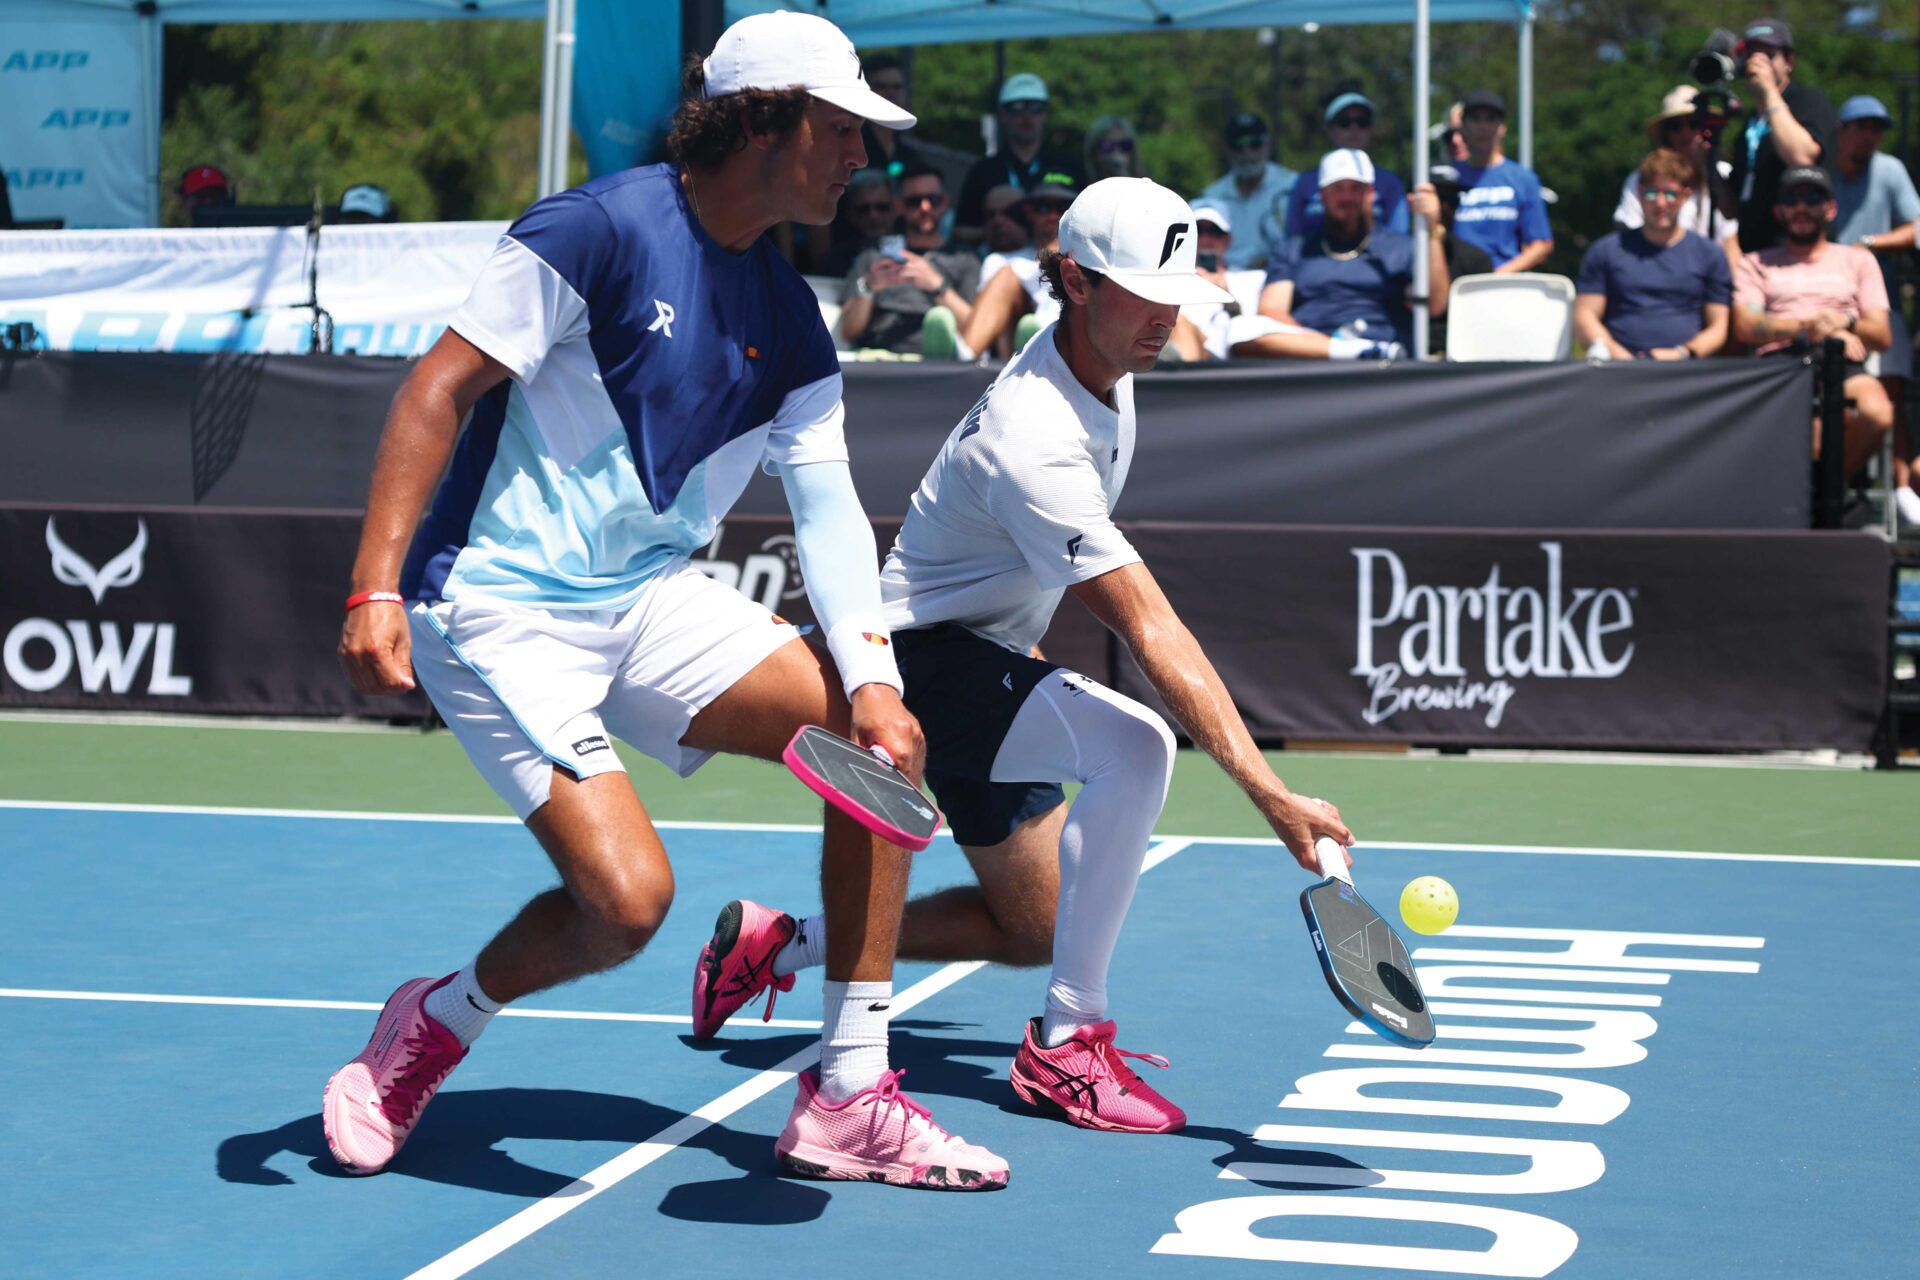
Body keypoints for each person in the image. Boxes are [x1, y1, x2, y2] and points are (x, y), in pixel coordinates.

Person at [325, 11, 1009, 1193]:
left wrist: (880, 684)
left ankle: (848, 1093)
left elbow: (831, 510)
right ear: (764, 120)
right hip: (493, 606)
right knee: (629, 905)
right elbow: (436, 389)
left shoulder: (793, 321)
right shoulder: (593, 228)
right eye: (844, 130)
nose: (867, 161)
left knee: (871, 737)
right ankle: (436, 1020)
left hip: (644, 596)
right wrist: (375, 583)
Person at [695, 177, 1355, 1136]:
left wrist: (1022, 646)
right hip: (917, 666)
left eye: (1178, 293)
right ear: (1076, 282)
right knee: (1135, 746)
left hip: (984, 649)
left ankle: (780, 945)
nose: (1166, 317)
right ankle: (1068, 1048)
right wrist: (1271, 793)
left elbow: (1009, 565)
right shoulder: (1035, 436)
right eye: (1143, 292)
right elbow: (1150, 627)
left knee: (1033, 926)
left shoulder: (1107, 370)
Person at [1732, 165, 1892, 477]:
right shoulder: (1755, 263)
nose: (1801, 208)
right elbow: (1745, 326)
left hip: (1843, 361)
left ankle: (1828, 492)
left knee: (1877, 414)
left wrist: (1843, 322)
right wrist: (1812, 327)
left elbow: (1882, 335)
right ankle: (1808, 505)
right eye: (1792, 200)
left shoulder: (1858, 260)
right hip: (1778, 365)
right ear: (1779, 211)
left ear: (1830, 209)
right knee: (1810, 429)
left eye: (1812, 199)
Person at [1255, 150, 1449, 360]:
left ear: (1371, 193)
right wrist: (1320, 345)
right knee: (1244, 331)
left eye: (1356, 188)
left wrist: (1432, 229)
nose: (1347, 197)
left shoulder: (1401, 247)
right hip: (1311, 358)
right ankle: (1348, 352)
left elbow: (1435, 304)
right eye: (1338, 189)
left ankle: (1359, 352)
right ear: (1322, 195)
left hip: (1381, 359)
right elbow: (1271, 310)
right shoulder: (1294, 249)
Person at [1831, 94, 1920, 515]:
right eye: (1861, 126)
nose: (1870, 136)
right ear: (1841, 130)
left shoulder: (1889, 170)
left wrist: (1868, 246)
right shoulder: (1820, 171)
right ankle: (1832, 486)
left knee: (1891, 393)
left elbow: (1916, 225)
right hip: (1823, 307)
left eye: (1876, 129)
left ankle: (1904, 488)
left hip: (1876, 307)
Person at [1576, 148, 1733, 361]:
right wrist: (1617, 355)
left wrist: (1682, 353)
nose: (1660, 203)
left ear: (1686, 195)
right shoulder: (1606, 250)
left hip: (1684, 370)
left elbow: (1718, 327)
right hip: (1618, 369)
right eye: (1652, 193)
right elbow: (1584, 316)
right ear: (1639, 193)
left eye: (1670, 193)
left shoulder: (1710, 254)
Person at [838, 164, 979, 356]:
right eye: (914, 201)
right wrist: (869, 288)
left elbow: (977, 329)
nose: (925, 207)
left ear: (945, 202)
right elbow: (847, 332)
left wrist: (937, 286)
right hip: (878, 359)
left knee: (940, 321)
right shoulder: (873, 255)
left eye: (934, 200)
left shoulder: (965, 258)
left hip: (941, 364)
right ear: (899, 206)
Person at [1729, 17, 1836, 254]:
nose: (1757, 63)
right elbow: (1731, 206)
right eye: (1752, 55)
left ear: (1789, 62)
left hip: (1801, 255)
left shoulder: (1809, 100)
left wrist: (1768, 91)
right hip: (1756, 256)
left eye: (1768, 56)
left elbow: (1801, 157)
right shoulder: (1749, 125)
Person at [953, 73, 1088, 246]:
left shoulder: (1069, 167)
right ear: (1003, 114)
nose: (1026, 115)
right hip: (1000, 258)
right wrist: (997, 229)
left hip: (1058, 256)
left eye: (1036, 107)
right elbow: (961, 229)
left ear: (1046, 113)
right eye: (1016, 107)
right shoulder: (983, 170)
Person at [1615, 86, 1740, 260]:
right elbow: (1630, 236)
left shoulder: (1724, 173)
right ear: (1666, 134)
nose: (1686, 133)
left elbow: (1732, 241)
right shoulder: (1641, 178)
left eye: (1694, 123)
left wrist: (1707, 166)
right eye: (1676, 126)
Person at [1168, 205, 1300, 362]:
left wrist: (1227, 297)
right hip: (1185, 344)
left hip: (1230, 357)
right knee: (1178, 323)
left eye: (1214, 232)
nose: (1205, 239)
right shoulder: (1171, 279)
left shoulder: (1254, 279)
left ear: (1227, 239)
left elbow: (1257, 329)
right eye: (1198, 231)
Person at [963, 178, 1077, 358]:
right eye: (1043, 208)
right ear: (1029, 213)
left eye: (1062, 208)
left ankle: (1036, 342)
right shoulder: (1001, 262)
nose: (1053, 215)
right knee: (1005, 274)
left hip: (1068, 349)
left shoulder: (1084, 260)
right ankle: (964, 357)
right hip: (1010, 358)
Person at [1282, 88, 1409, 240]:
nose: (1353, 128)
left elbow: (1399, 239)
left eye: (1362, 122)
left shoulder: (1390, 183)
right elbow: (1292, 239)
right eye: (1344, 122)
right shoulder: (1305, 182)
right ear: (1329, 129)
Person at [1449, 90, 1553, 273]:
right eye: (1475, 119)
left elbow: (1541, 244)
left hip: (1506, 285)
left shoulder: (1523, 178)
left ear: (1502, 127)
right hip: (1458, 284)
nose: (1483, 126)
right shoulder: (1450, 177)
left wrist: (1498, 276)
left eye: (1491, 119)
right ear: (1463, 127)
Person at [1193, 112, 1297, 269]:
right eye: (1238, 145)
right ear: (1227, 150)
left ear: (1267, 145)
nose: (1247, 152)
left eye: (1254, 144)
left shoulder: (1292, 185)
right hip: (1224, 277)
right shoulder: (1212, 195)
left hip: (1279, 274)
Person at [1426, 164, 1495, 355]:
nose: (1445, 207)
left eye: (1453, 200)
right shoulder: (1393, 253)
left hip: (1457, 362)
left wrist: (1434, 233)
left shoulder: (1477, 259)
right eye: (1439, 198)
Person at [815, 167, 895, 277]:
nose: (873, 216)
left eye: (882, 207)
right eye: (864, 209)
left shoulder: (911, 255)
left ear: (895, 208)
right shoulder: (834, 261)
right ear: (850, 213)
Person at [1085, 115, 1145, 181]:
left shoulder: (1148, 188)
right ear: (1094, 152)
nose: (1117, 153)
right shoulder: (1079, 188)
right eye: (1108, 146)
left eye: (1125, 145)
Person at [980, 183, 1030, 256]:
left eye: (1006, 213)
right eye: (991, 215)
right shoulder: (968, 262)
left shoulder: (1045, 261)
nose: (997, 221)